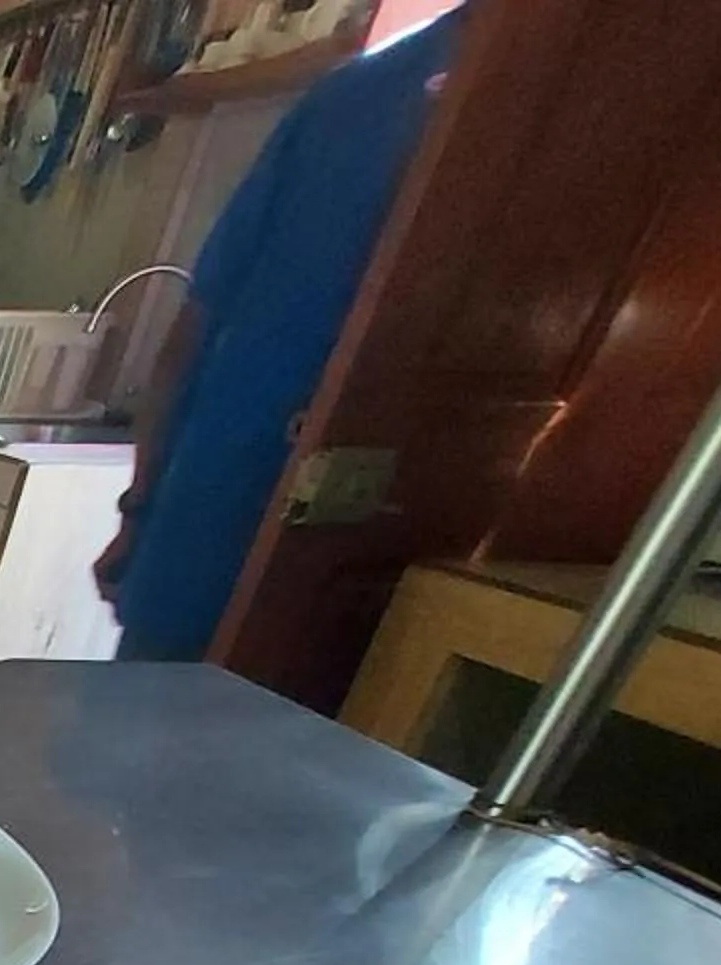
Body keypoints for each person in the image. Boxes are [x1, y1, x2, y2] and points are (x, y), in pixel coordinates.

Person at [97, 5, 471, 660]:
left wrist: (139, 515)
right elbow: (190, 336)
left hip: (208, 539)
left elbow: (188, 337)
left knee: (131, 737)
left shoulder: (356, 98)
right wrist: (140, 514)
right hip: (282, 560)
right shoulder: (377, 97)